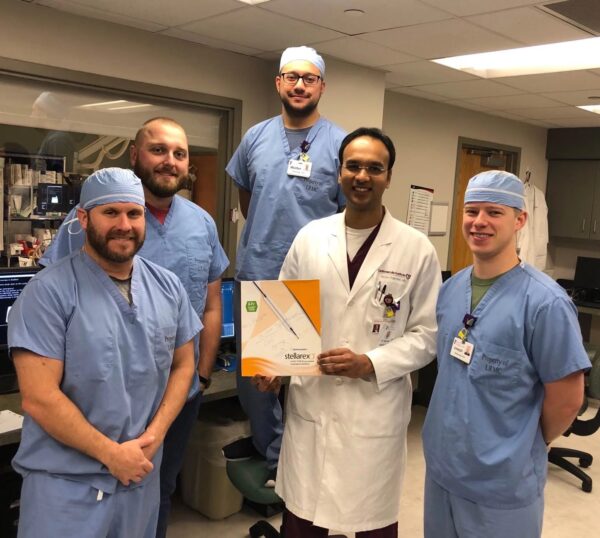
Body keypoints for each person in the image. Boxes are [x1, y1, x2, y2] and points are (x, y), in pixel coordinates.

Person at [40, 117, 229, 538]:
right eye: (158, 150)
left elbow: (211, 303)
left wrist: (200, 372)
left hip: (178, 392)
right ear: (134, 155)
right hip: (102, 391)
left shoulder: (201, 223)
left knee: (158, 490)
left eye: (179, 154)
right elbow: (56, 292)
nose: (169, 161)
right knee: (93, 489)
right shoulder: (88, 217)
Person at [256, 127, 441, 536]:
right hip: (313, 409)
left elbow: (428, 334)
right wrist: (274, 367)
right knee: (302, 519)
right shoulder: (310, 238)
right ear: (339, 172)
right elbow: (285, 318)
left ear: (389, 176)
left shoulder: (416, 249)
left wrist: (369, 363)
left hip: (372, 414)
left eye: (374, 168)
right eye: (353, 166)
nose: (362, 176)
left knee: (373, 522)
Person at [9, 168, 201, 537]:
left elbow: (183, 365)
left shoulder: (168, 287)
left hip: (139, 478)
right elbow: (39, 398)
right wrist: (111, 455)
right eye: (110, 213)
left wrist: (156, 435)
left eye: (134, 213)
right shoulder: (48, 292)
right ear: (83, 218)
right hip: (67, 487)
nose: (124, 225)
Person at [422, 170, 592, 538]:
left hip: (501, 487)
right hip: (442, 471)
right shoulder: (450, 290)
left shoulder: (545, 304)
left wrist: (522, 444)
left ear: (520, 220)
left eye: (494, 212)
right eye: (472, 211)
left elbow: (567, 399)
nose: (479, 222)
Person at [225, 46, 346, 484]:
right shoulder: (256, 137)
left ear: (321, 86)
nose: (299, 85)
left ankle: (308, 462)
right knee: (256, 382)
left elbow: (348, 217)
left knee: (310, 381)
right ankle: (277, 456)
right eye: (291, 77)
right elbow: (248, 200)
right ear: (278, 83)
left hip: (314, 282)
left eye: (309, 78)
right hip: (260, 276)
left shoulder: (339, 143)